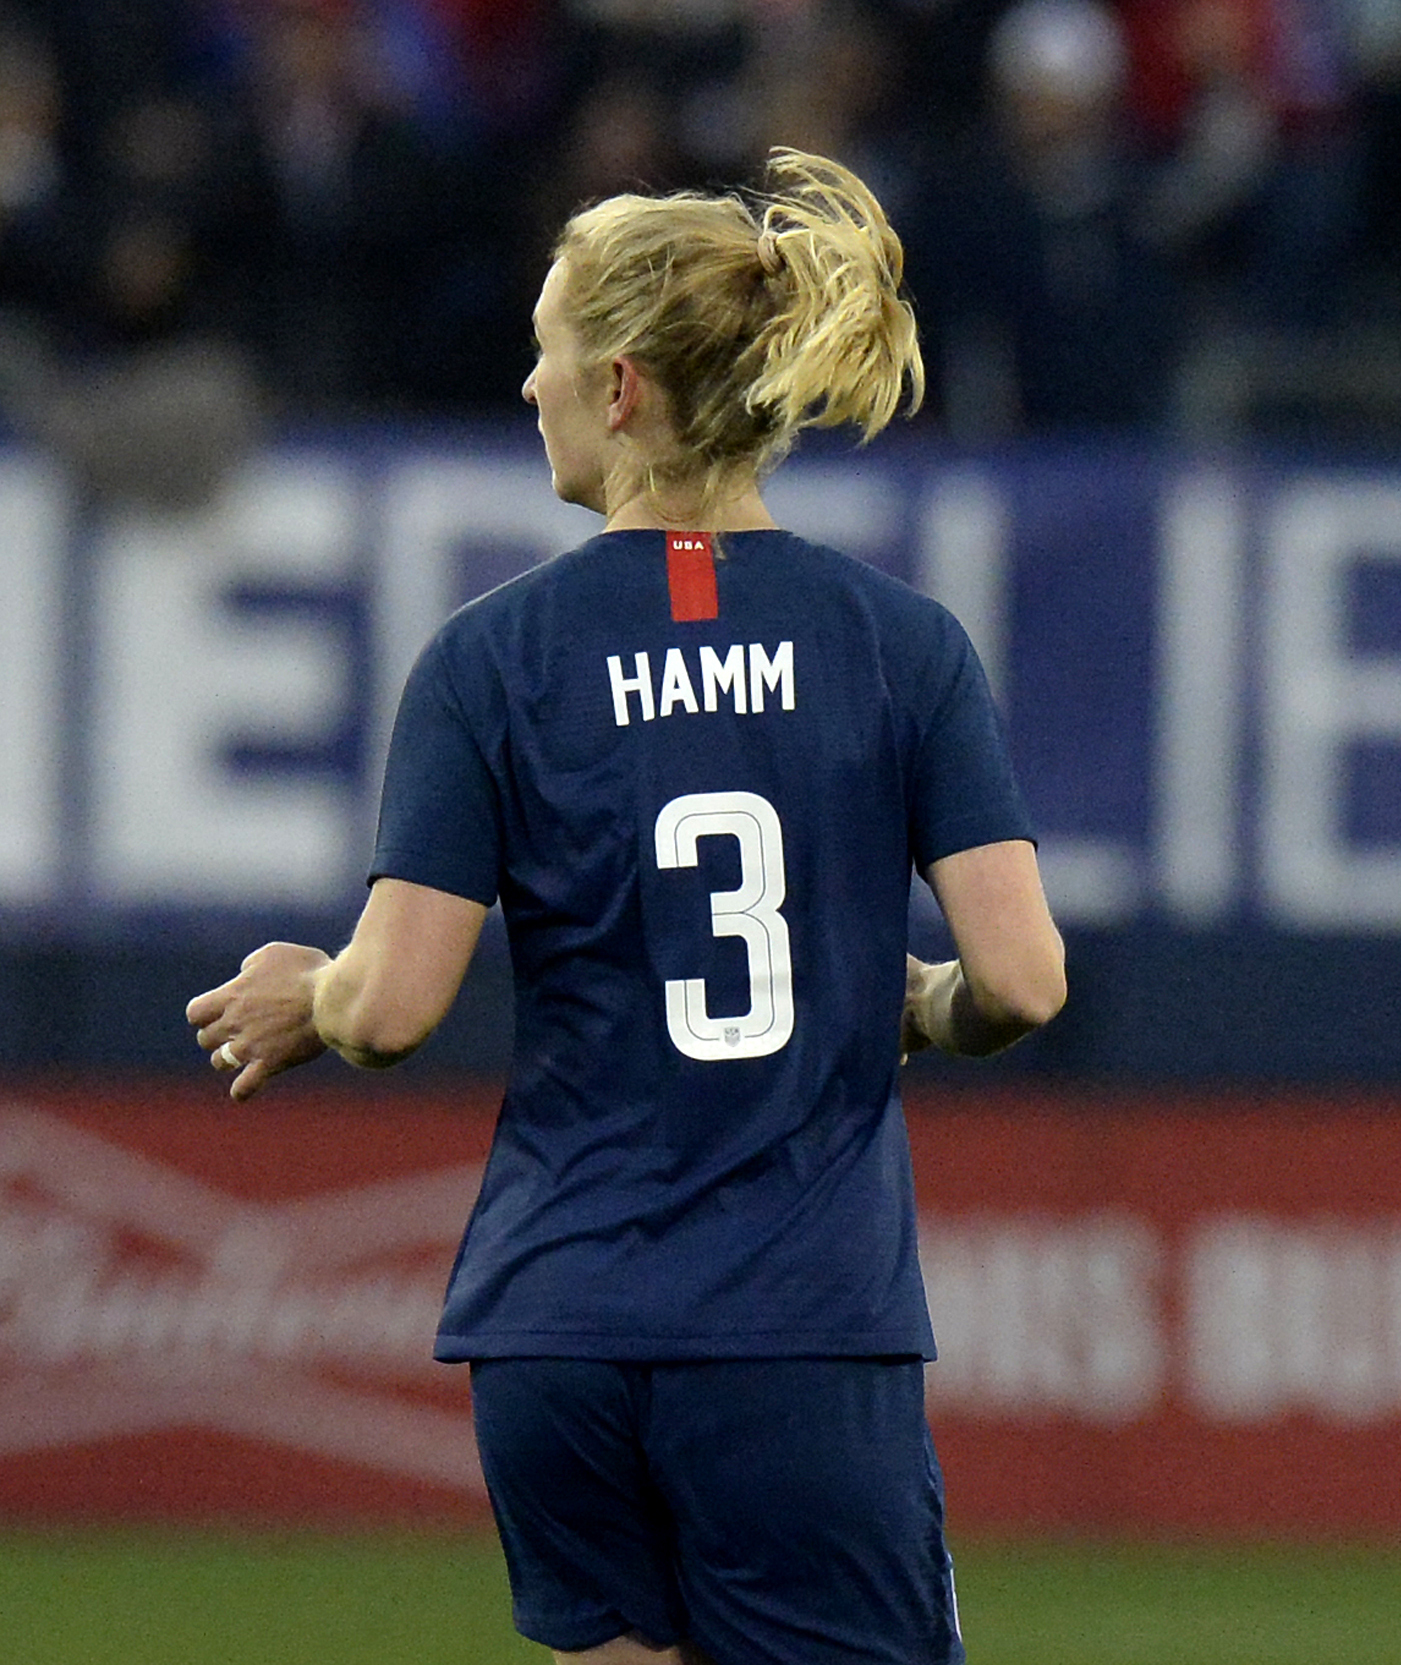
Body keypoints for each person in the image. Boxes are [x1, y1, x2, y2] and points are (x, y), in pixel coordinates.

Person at [184, 147, 1064, 1665]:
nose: (528, 383)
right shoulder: (903, 647)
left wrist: (309, 991)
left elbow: (390, 1009)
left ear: (622, 389)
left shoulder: (489, 660)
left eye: (549, 349)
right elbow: (1027, 981)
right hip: (797, 1327)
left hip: (558, 1329)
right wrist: (917, 1004)